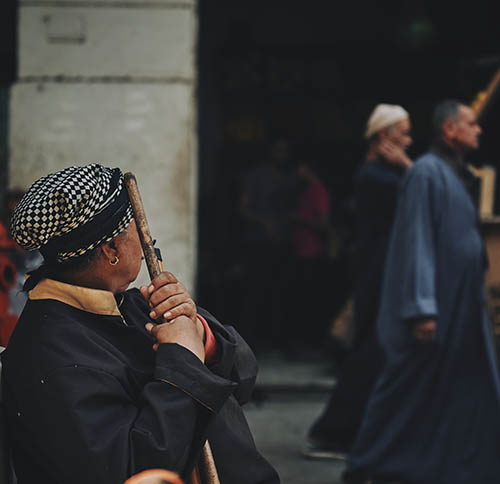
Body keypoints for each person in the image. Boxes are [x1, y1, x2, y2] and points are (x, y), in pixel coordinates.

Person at [1, 164, 280, 484]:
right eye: (136, 227)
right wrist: (182, 363)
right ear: (112, 250)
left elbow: (244, 376)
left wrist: (201, 334)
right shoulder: (50, 356)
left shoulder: (134, 304)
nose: (149, 238)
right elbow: (137, 472)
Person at [344, 100, 500, 484]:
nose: (478, 130)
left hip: (459, 305)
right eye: (471, 124)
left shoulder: (449, 173)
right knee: (404, 393)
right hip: (434, 308)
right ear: (450, 129)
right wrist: (422, 309)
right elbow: (418, 242)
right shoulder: (427, 172)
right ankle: (365, 465)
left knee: (456, 392)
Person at [304, 104, 413, 459]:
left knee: (374, 353)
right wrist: (408, 168)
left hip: (382, 274)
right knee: (369, 352)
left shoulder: (383, 173)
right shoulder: (377, 176)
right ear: (384, 136)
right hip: (378, 276)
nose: (409, 140)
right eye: (403, 133)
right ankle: (336, 432)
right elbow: (422, 197)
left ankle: (348, 432)